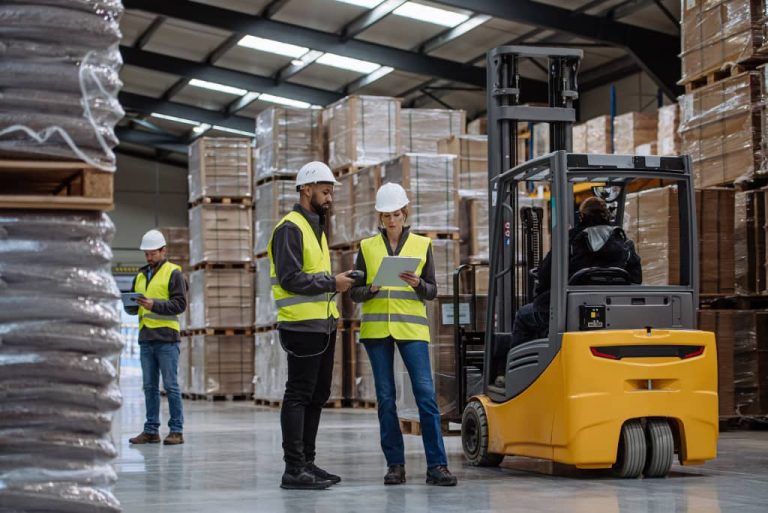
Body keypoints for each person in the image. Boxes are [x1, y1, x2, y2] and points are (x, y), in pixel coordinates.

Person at [350, 183, 458, 487]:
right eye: (385, 216)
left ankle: (437, 465)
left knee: (425, 395)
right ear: (380, 217)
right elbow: (354, 295)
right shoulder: (366, 247)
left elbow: (433, 290)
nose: (391, 220)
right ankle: (395, 465)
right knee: (386, 399)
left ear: (404, 213)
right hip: (377, 332)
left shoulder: (422, 245)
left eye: (396, 214)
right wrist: (369, 289)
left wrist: (416, 285)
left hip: (411, 329)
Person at [268, 161, 356, 490]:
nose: (330, 197)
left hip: (323, 324)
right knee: (299, 394)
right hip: (300, 326)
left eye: (331, 191)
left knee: (318, 394)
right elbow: (291, 279)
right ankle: (293, 468)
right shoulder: (290, 227)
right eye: (325, 191)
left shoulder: (315, 226)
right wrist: (332, 282)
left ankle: (307, 462)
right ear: (307, 190)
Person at [511, 196, 642, 347]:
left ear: (581, 216)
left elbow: (545, 274)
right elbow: (636, 279)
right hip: (615, 312)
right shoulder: (624, 243)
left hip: (569, 312)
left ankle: (525, 369)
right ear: (607, 215)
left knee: (523, 315)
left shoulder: (570, 240)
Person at [125, 229, 188, 446]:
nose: (149, 257)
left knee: (170, 386)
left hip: (167, 339)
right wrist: (131, 305)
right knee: (149, 387)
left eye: (152, 253)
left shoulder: (174, 273)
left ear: (163, 251)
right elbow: (135, 309)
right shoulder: (140, 276)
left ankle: (176, 431)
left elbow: (180, 305)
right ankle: (151, 430)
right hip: (146, 338)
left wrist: (154, 305)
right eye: (146, 254)